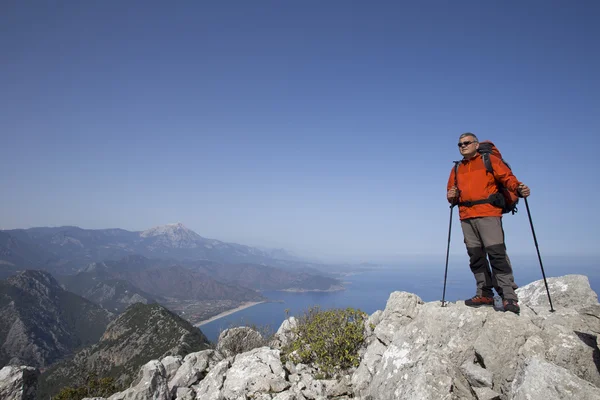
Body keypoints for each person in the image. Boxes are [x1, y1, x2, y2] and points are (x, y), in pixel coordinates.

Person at [446, 132, 530, 314]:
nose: (462, 146)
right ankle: (484, 292)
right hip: (466, 216)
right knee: (475, 255)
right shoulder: (457, 168)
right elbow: (450, 194)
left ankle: (509, 297)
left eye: (466, 143)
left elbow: (507, 177)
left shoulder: (488, 160)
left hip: (488, 213)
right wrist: (450, 196)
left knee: (496, 254)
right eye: (460, 144)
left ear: (476, 144)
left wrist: (518, 188)